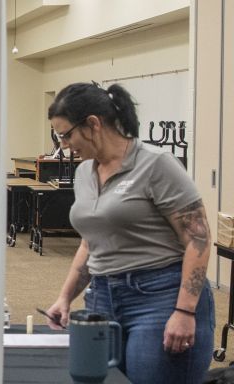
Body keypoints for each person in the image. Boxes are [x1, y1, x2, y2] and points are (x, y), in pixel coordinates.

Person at [44, 83, 214, 383]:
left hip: (159, 297)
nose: (64, 144)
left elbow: (197, 239)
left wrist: (185, 311)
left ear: (93, 124)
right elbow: (91, 241)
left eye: (66, 134)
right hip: (103, 298)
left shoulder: (155, 164)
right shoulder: (85, 172)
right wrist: (65, 297)